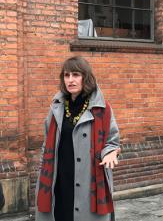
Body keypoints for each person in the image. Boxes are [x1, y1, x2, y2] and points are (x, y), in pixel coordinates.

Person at [35, 56, 120, 221]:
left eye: (76, 75)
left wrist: (110, 152)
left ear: (85, 78)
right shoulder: (56, 107)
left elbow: (112, 141)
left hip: (88, 182)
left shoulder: (102, 109)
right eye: (67, 75)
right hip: (57, 179)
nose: (70, 80)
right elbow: (47, 144)